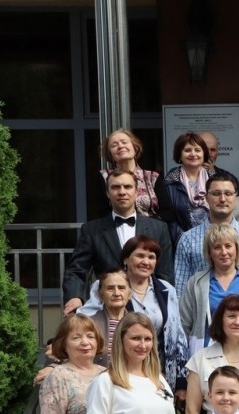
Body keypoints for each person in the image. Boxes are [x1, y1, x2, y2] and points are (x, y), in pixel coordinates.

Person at [79, 237, 189, 390]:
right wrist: (57, 346)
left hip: (160, 369)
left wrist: (181, 378)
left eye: (151, 257)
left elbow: (178, 335)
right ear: (126, 259)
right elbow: (83, 322)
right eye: (140, 256)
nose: (146, 261)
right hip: (121, 367)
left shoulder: (166, 289)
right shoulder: (110, 285)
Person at [63, 169, 173, 314]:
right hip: (106, 308)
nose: (122, 192)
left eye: (127, 187)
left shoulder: (159, 228)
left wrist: (164, 306)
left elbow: (165, 274)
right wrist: (75, 297)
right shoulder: (91, 230)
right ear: (108, 193)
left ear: (136, 191)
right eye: (115, 187)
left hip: (148, 309)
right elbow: (76, 271)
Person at [173, 173, 239, 295]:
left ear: (236, 197)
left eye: (228, 194)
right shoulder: (188, 239)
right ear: (206, 197)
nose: (222, 199)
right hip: (203, 311)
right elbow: (181, 288)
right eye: (216, 194)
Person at [179, 224, 239, 352]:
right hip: (206, 352)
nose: (224, 252)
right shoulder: (196, 283)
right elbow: (183, 323)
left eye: (228, 246)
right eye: (217, 247)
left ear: (237, 249)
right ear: (209, 252)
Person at [155, 131, 214, 242]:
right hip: (182, 241)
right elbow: (169, 219)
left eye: (197, 150)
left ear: (204, 154)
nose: (193, 154)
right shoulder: (169, 183)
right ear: (180, 155)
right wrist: (185, 239)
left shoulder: (215, 180)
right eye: (187, 150)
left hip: (213, 240)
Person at [98, 129, 159, 217]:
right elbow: (102, 211)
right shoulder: (104, 176)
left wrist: (147, 226)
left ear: (135, 148)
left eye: (124, 142)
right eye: (114, 145)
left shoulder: (153, 177)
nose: (120, 146)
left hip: (151, 229)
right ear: (110, 154)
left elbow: (167, 212)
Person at [86, 269, 130, 365]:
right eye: (110, 288)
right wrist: (52, 366)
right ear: (100, 295)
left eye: (121, 288)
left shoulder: (137, 324)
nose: (117, 293)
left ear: (130, 294)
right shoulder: (88, 323)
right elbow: (62, 350)